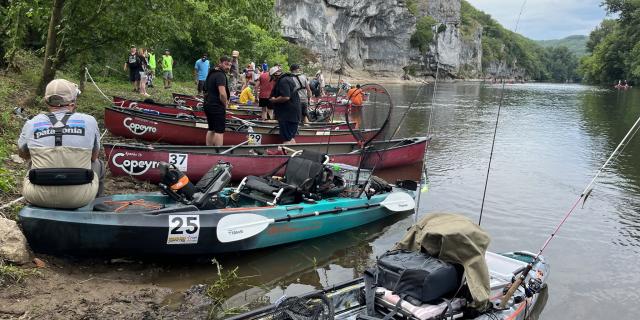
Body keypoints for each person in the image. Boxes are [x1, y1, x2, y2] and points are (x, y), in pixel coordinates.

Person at [18, 79, 104, 209]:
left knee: (32, 162)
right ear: (73, 101)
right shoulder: (90, 121)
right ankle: (93, 209)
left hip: (37, 196)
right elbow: (93, 157)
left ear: (46, 100)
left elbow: (23, 154)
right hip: (80, 198)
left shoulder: (32, 123)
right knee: (99, 164)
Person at [203, 56, 232, 146]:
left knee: (211, 129)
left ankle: (209, 150)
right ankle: (218, 154)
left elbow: (205, 90)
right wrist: (225, 103)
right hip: (216, 106)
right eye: (226, 64)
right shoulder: (220, 75)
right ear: (220, 63)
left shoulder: (211, 73)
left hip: (208, 104)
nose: (228, 67)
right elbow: (222, 93)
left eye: (230, 65)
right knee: (219, 131)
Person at [269, 67, 300, 144]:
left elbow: (286, 97)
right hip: (292, 114)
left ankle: (284, 154)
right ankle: (291, 154)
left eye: (273, 78)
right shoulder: (288, 79)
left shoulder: (283, 81)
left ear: (276, 74)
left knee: (287, 138)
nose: (273, 80)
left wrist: (274, 100)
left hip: (287, 115)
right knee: (290, 137)